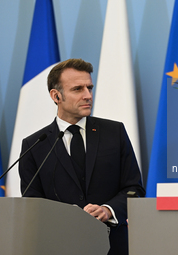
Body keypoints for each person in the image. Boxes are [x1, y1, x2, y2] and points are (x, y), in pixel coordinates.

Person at [19, 58, 145, 255]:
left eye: (90, 88)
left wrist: (107, 210)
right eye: (78, 89)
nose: (88, 95)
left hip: (113, 246)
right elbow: (33, 204)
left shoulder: (114, 132)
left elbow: (134, 188)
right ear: (56, 96)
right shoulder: (35, 145)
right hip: (59, 247)